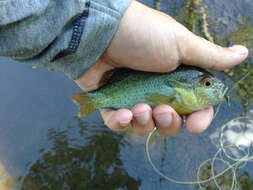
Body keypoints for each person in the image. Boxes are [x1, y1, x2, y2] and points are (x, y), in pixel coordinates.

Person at [0, 0, 248, 136]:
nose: (214, 88)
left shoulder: (184, 91)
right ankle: (94, 100)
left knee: (138, 116)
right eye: (206, 83)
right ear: (187, 86)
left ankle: (94, 100)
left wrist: (95, 34)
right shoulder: (179, 91)